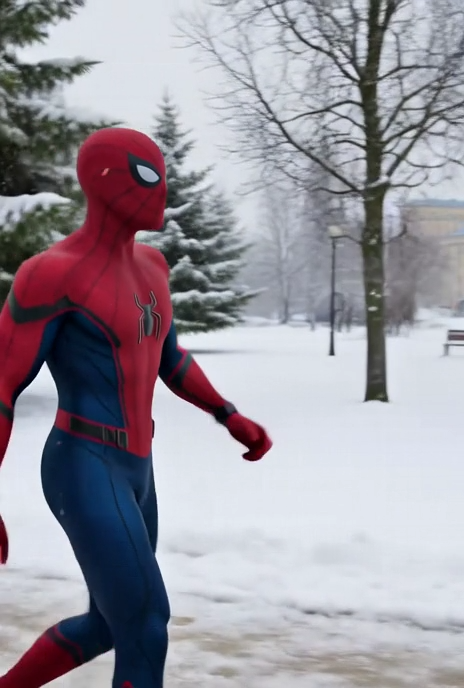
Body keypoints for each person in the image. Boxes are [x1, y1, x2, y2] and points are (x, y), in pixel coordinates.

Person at [0, 127, 272, 688]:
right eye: (147, 175)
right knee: (146, 624)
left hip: (136, 468)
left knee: (109, 623)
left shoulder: (153, 267)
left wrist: (227, 414)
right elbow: (2, 385)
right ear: (102, 181)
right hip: (82, 463)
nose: (162, 189)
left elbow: (168, 357)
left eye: (163, 174)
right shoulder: (52, 274)